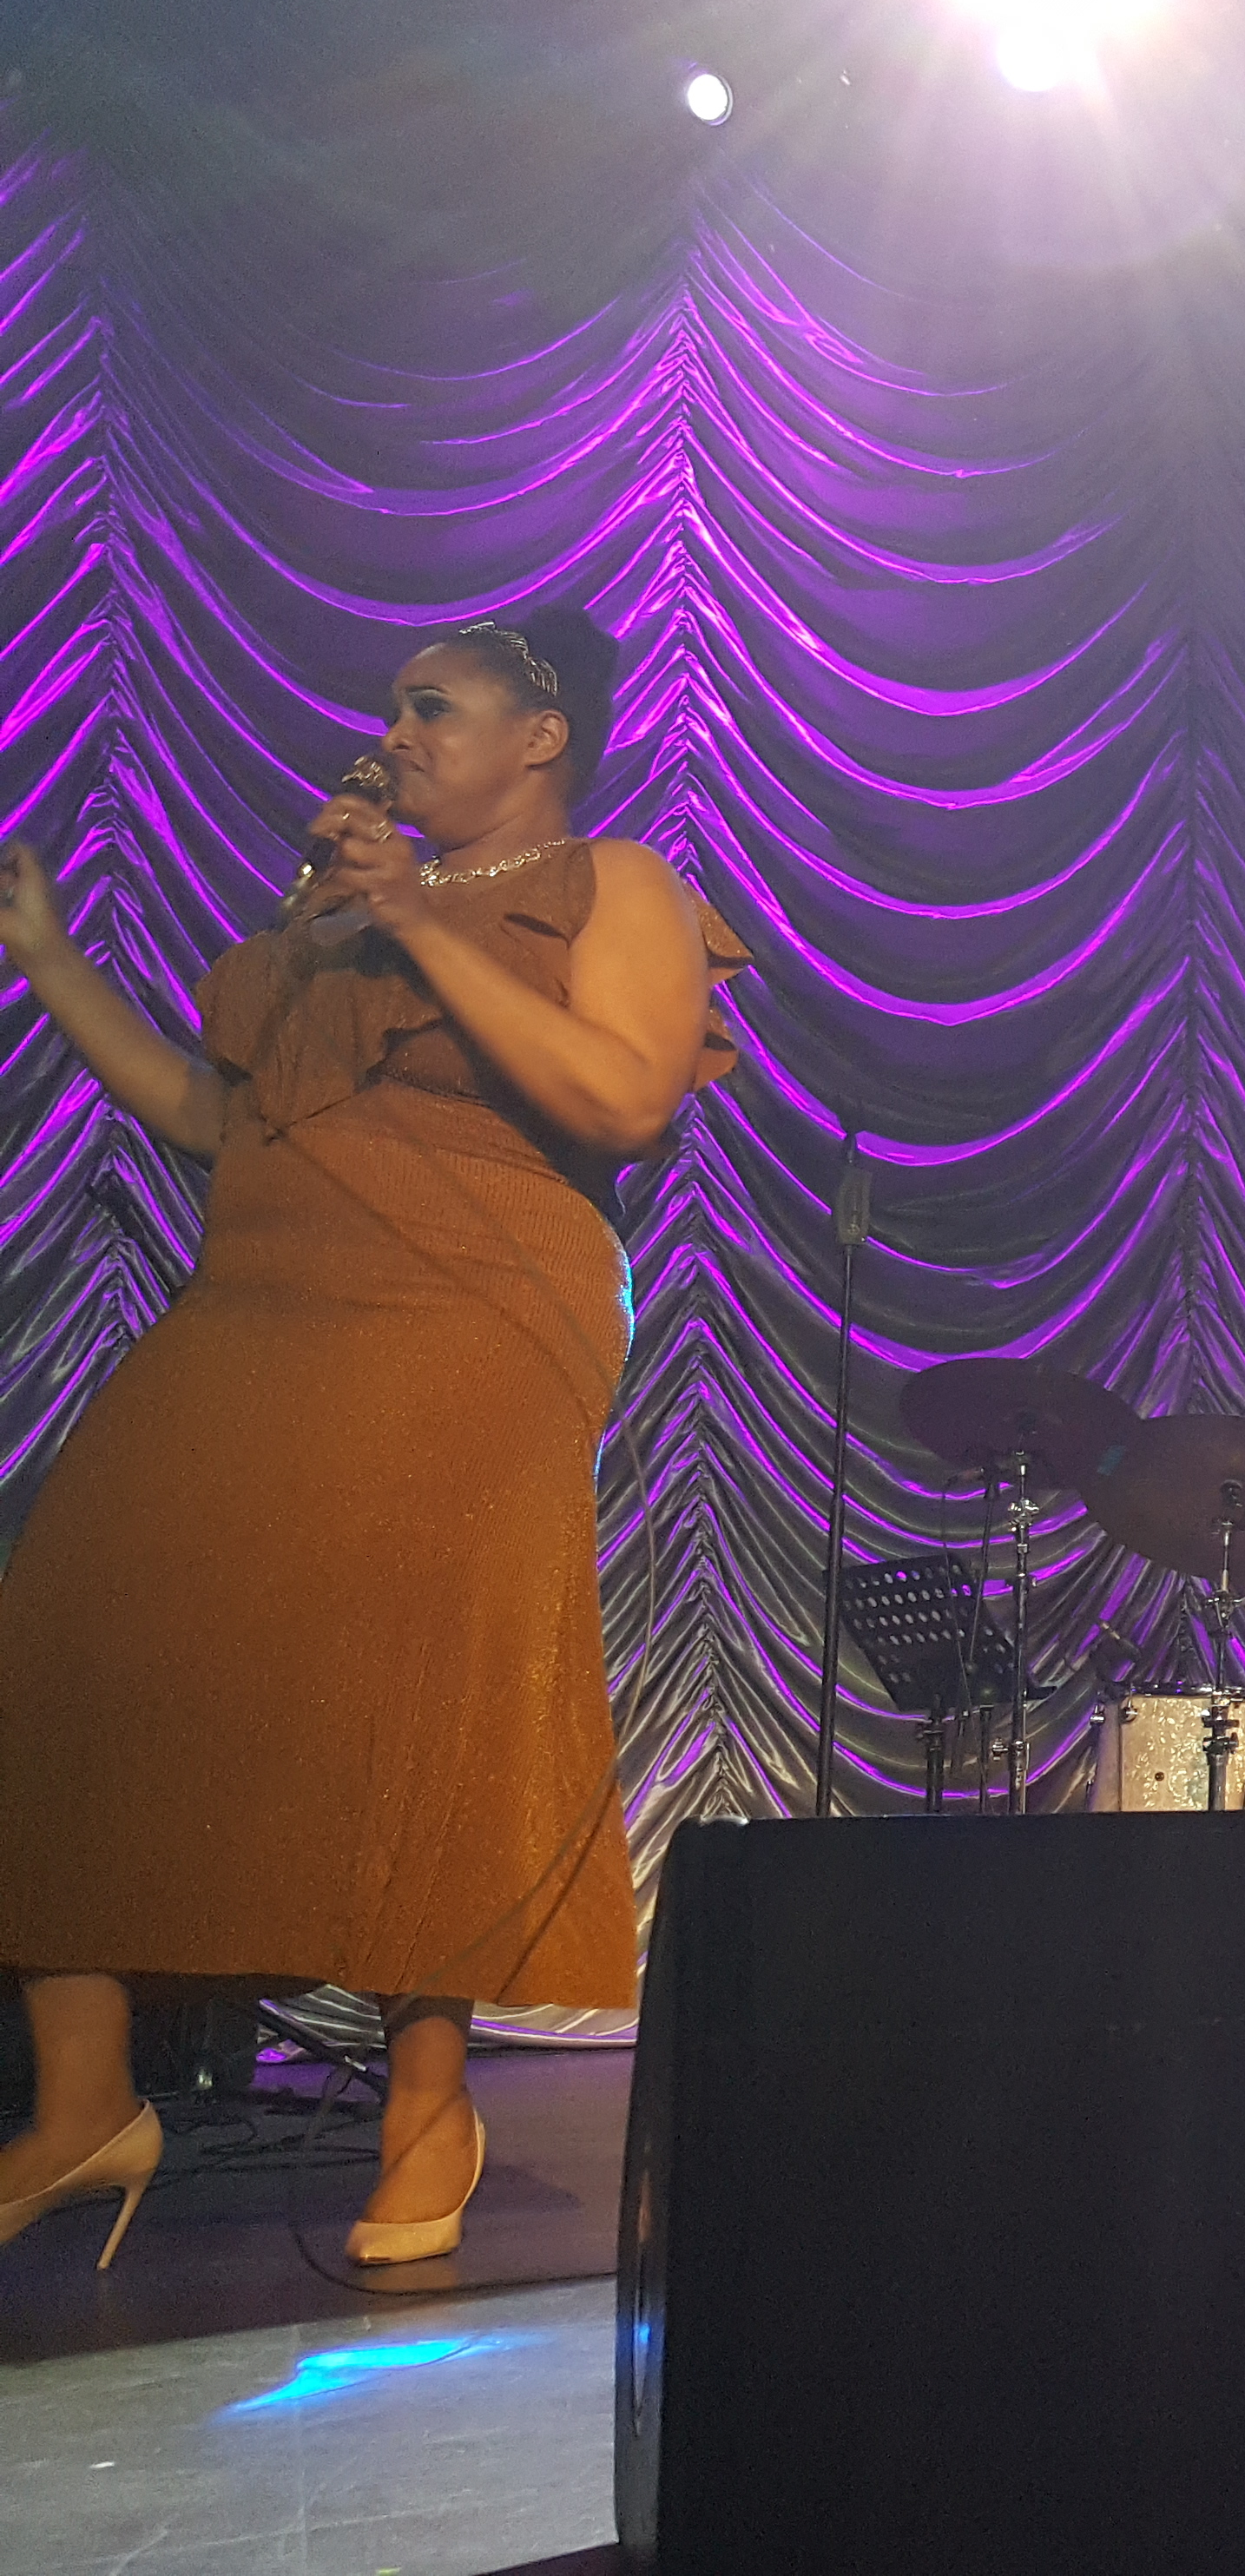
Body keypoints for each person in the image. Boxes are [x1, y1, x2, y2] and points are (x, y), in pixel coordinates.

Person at [0, 608, 743, 2268]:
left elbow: (625, 1099)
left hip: (479, 1299)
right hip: (258, 1299)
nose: (395, 733)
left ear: (541, 735)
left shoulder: (614, 880)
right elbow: (217, 1116)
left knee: (423, 1679)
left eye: (433, 706)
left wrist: (415, 914)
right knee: (72, 1632)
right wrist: (50, 960)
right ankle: (85, 2100)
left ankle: (427, 2103)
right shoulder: (332, 923)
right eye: (394, 709)